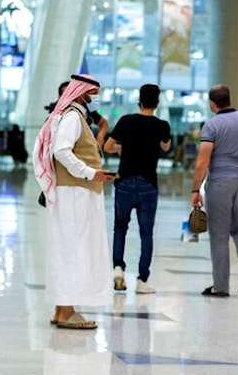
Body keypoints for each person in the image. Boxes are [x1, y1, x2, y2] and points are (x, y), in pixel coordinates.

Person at [33, 74, 117, 330]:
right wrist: (91, 173)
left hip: (76, 193)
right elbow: (61, 151)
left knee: (69, 247)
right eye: (92, 94)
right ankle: (67, 312)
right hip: (76, 194)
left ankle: (62, 310)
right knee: (75, 248)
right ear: (82, 93)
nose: (94, 99)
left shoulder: (74, 116)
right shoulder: (72, 117)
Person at [191, 85, 238, 297]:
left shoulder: (211, 125)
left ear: (212, 103)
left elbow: (202, 160)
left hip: (220, 183)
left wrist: (195, 189)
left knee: (218, 235)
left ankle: (220, 286)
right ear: (229, 99)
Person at [103, 84, 172, 295]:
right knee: (146, 232)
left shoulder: (126, 121)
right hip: (148, 183)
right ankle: (142, 280)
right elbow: (166, 147)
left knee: (120, 227)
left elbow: (107, 146)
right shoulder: (162, 125)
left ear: (139, 101)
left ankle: (118, 269)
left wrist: (121, 148)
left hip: (124, 181)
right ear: (157, 103)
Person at [46, 80, 109, 152]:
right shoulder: (55, 118)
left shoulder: (85, 109)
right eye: (67, 95)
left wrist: (100, 137)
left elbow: (104, 123)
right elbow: (60, 151)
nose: (71, 98)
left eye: (73, 94)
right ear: (59, 97)